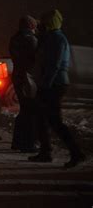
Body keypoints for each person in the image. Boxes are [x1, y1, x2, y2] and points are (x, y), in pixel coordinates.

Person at [28, 9, 85, 168]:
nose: (40, 25)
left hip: (54, 85)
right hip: (49, 84)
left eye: (43, 23)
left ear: (50, 24)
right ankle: (46, 152)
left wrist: (45, 84)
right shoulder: (50, 38)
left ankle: (76, 152)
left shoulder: (57, 39)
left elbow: (54, 64)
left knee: (55, 121)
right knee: (42, 118)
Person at [9, 15, 39, 152]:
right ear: (31, 26)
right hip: (28, 78)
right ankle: (27, 144)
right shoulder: (30, 40)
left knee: (24, 110)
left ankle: (17, 141)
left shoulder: (15, 38)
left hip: (18, 76)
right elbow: (35, 59)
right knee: (30, 111)